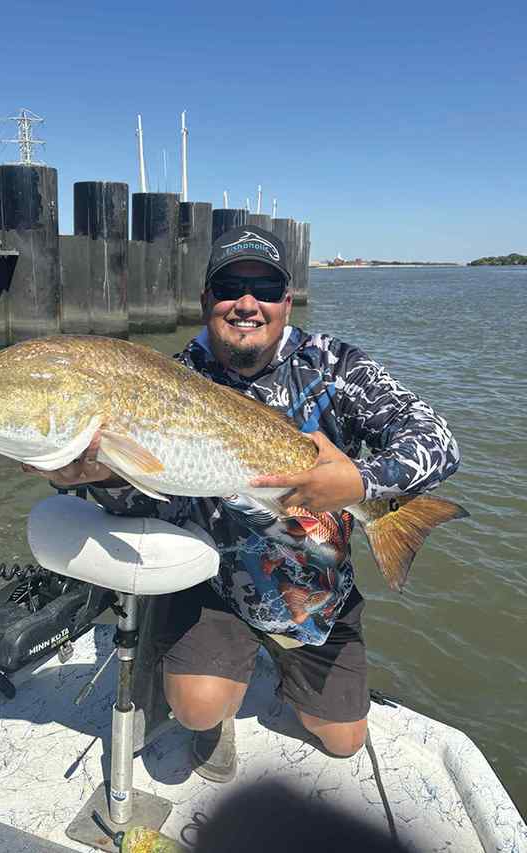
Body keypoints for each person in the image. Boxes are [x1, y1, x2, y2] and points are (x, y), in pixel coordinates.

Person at [23, 226, 460, 783]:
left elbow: (437, 437)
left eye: (265, 288)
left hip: (314, 593)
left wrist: (359, 481)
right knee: (198, 707)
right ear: (207, 300)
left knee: (344, 741)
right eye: (230, 286)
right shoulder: (168, 380)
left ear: (285, 299)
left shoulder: (335, 365)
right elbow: (152, 500)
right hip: (215, 586)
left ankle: (280, 660)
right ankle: (218, 695)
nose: (247, 303)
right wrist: (99, 477)